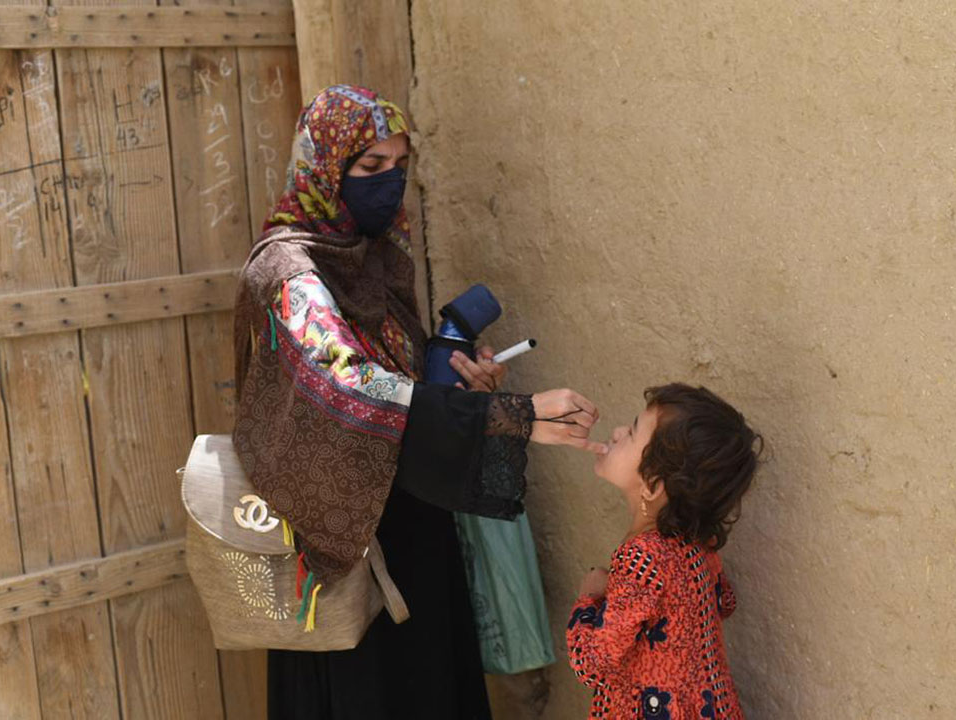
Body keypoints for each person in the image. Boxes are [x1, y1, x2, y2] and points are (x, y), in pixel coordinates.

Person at [232, 85, 606, 719]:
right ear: (323, 167)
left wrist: (457, 385)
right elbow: (347, 388)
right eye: (370, 167)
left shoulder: (380, 259)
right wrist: (509, 418)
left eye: (400, 166)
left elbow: (400, 381)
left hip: (415, 535)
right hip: (343, 553)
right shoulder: (288, 275)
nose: (389, 183)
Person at [566, 384, 761, 719]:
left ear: (653, 485)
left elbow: (594, 664)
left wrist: (588, 598)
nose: (617, 432)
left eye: (631, 432)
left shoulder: (639, 558)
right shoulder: (700, 543)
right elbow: (724, 602)